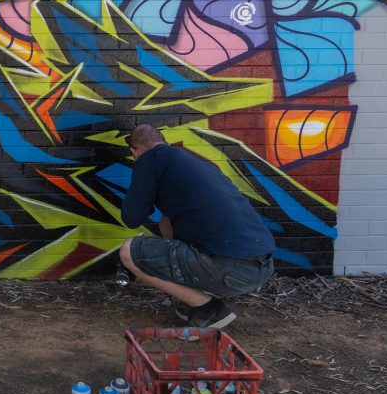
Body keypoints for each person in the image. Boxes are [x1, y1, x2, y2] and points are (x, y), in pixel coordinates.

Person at [117, 124, 275, 329]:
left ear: (134, 151)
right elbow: (168, 221)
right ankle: (194, 299)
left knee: (129, 251)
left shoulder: (150, 160)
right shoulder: (188, 159)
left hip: (232, 270)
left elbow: (131, 218)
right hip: (262, 265)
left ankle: (209, 311)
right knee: (166, 220)